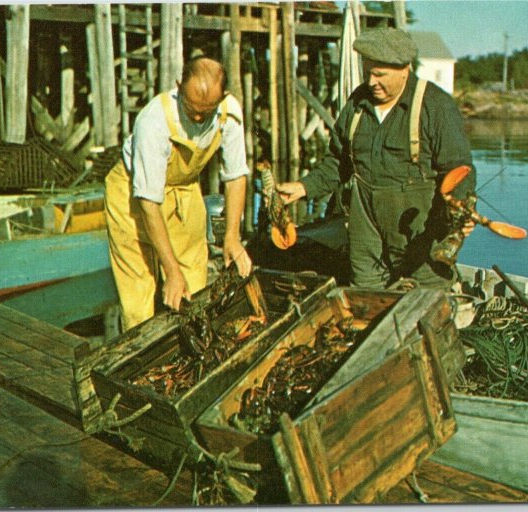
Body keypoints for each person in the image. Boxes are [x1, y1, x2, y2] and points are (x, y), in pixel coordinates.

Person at [277, 27, 475, 290]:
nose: (371, 82)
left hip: (421, 240)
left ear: (404, 69)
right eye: (367, 72)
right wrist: (302, 187)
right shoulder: (358, 104)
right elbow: (337, 162)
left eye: (379, 74)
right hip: (366, 236)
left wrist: (459, 215)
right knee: (364, 303)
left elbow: (460, 169)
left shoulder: (435, 106)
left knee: (426, 308)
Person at [104, 56, 252, 331]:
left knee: (194, 288)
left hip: (184, 189)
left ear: (224, 98)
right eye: (191, 108)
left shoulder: (229, 114)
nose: (197, 118)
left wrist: (232, 236)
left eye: (205, 112)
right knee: (139, 297)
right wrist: (170, 270)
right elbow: (148, 202)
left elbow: (235, 177)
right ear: (178, 87)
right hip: (133, 196)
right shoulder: (153, 121)